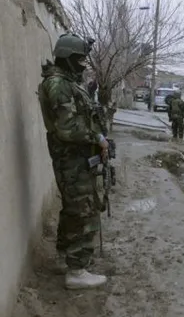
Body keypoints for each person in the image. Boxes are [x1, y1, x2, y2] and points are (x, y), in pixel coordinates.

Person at [37, 33, 108, 289]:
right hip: (71, 159)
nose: (83, 64)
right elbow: (67, 128)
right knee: (83, 211)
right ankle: (77, 271)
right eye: (79, 59)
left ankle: (64, 258)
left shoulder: (66, 81)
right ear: (66, 58)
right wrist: (97, 137)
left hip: (77, 158)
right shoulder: (58, 84)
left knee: (73, 209)